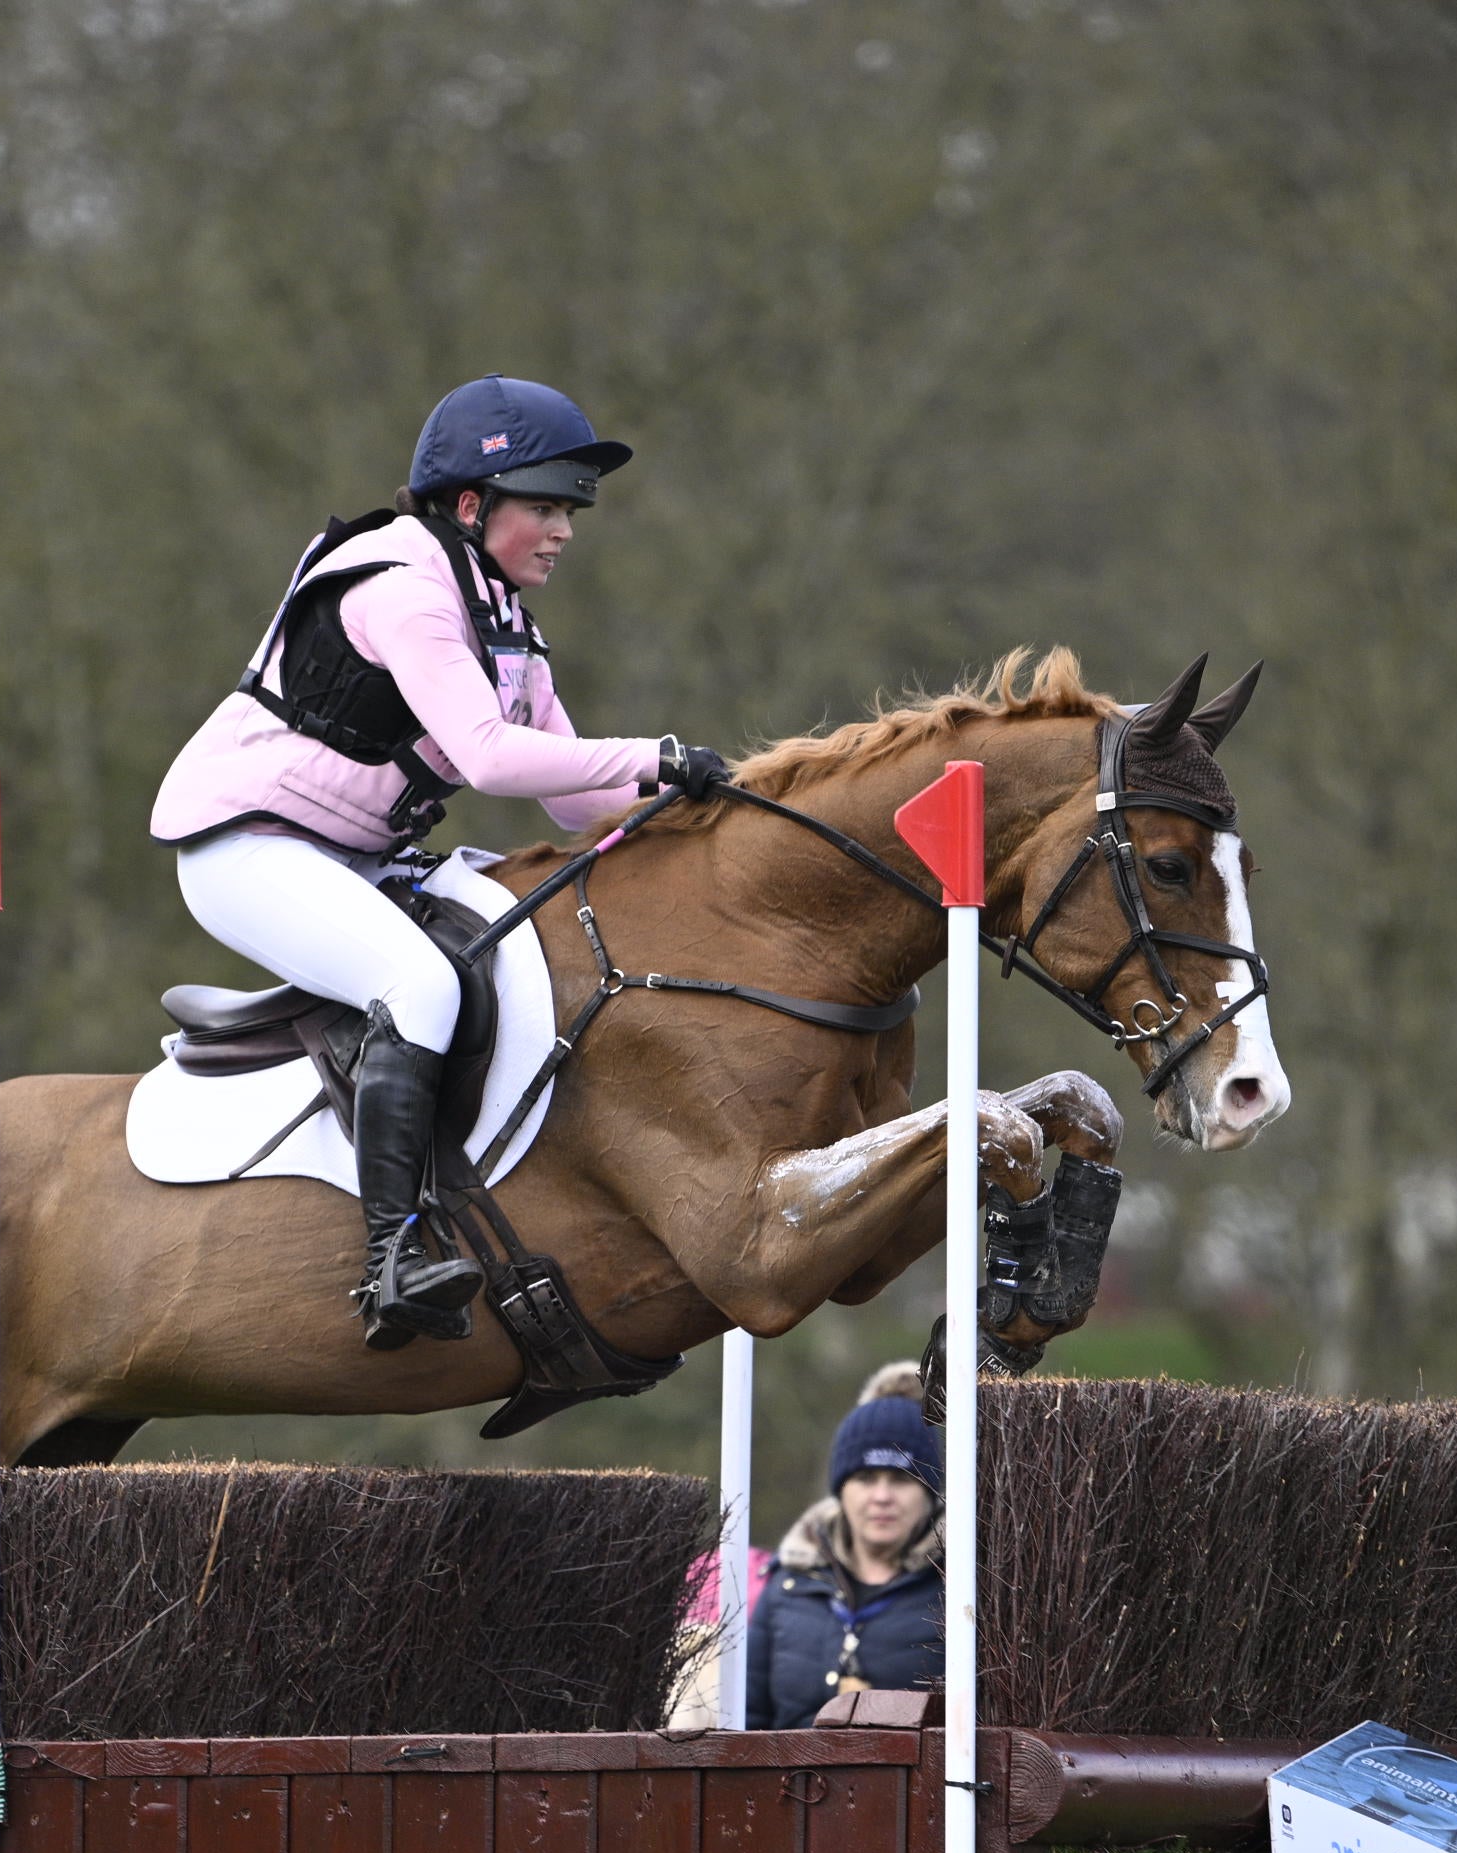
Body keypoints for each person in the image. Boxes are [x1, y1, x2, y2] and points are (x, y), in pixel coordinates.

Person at [147, 375, 726, 1348]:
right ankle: (391, 1255)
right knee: (417, 983)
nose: (566, 530)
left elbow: (576, 802)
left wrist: (712, 804)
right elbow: (493, 756)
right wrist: (651, 754)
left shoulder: (504, 619)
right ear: (472, 504)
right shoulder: (403, 588)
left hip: (356, 854)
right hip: (244, 844)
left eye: (570, 509)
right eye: (545, 506)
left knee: (529, 935)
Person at [742, 1368, 944, 1725]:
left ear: (930, 1495)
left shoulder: (962, 1592)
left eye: (901, 1479)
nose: (882, 1497)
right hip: (791, 1781)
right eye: (866, 1478)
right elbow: (747, 1718)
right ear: (840, 1490)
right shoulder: (787, 1586)